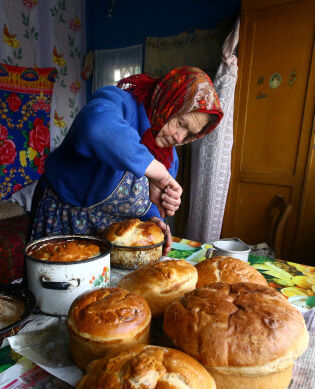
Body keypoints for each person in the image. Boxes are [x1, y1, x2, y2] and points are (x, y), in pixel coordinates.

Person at [29, 66, 223, 255]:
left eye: (190, 133)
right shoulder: (120, 103)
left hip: (113, 242)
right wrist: (153, 169)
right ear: (168, 101)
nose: (180, 138)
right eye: (181, 123)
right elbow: (95, 126)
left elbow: (146, 208)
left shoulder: (169, 157)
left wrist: (153, 220)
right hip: (63, 223)